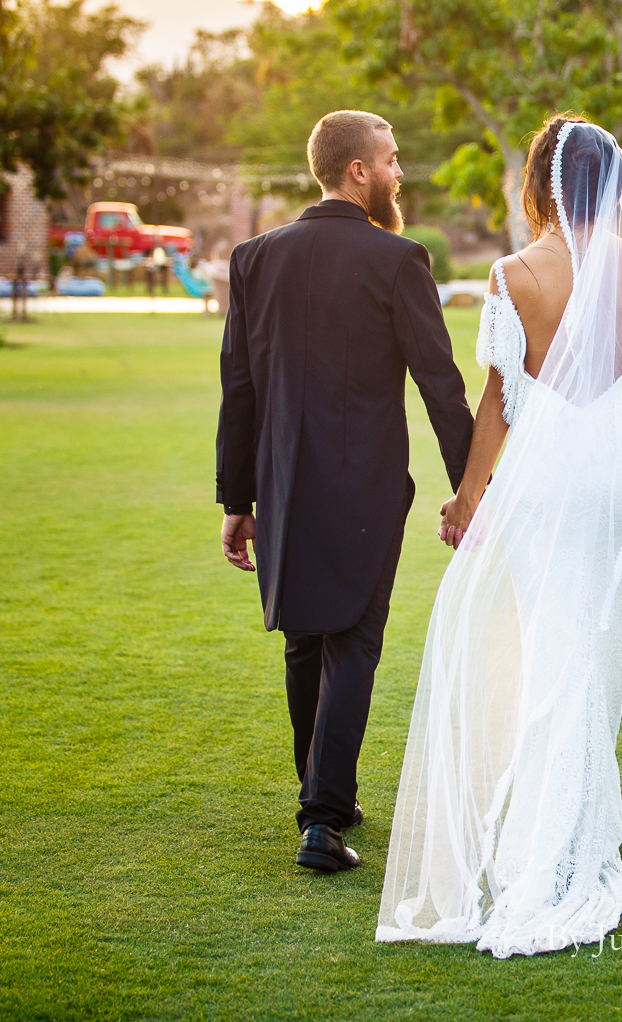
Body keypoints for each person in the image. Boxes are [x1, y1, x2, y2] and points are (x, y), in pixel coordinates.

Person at [376, 115, 622, 958]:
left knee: (551, 638)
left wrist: (468, 494)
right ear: (610, 180)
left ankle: (558, 832)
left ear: (543, 180)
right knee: (597, 637)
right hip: (619, 478)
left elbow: (498, 398)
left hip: (546, 476)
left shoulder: (515, 273)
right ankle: (585, 814)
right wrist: (613, 409)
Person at [215, 110, 474, 874]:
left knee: (305, 640)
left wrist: (238, 499)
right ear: (358, 171)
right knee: (353, 643)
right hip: (363, 490)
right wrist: (474, 486)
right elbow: (441, 387)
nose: (399, 173)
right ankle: (323, 824)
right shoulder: (399, 260)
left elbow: (239, 389)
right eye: (392, 160)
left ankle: (322, 790)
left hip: (285, 484)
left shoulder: (255, 257)